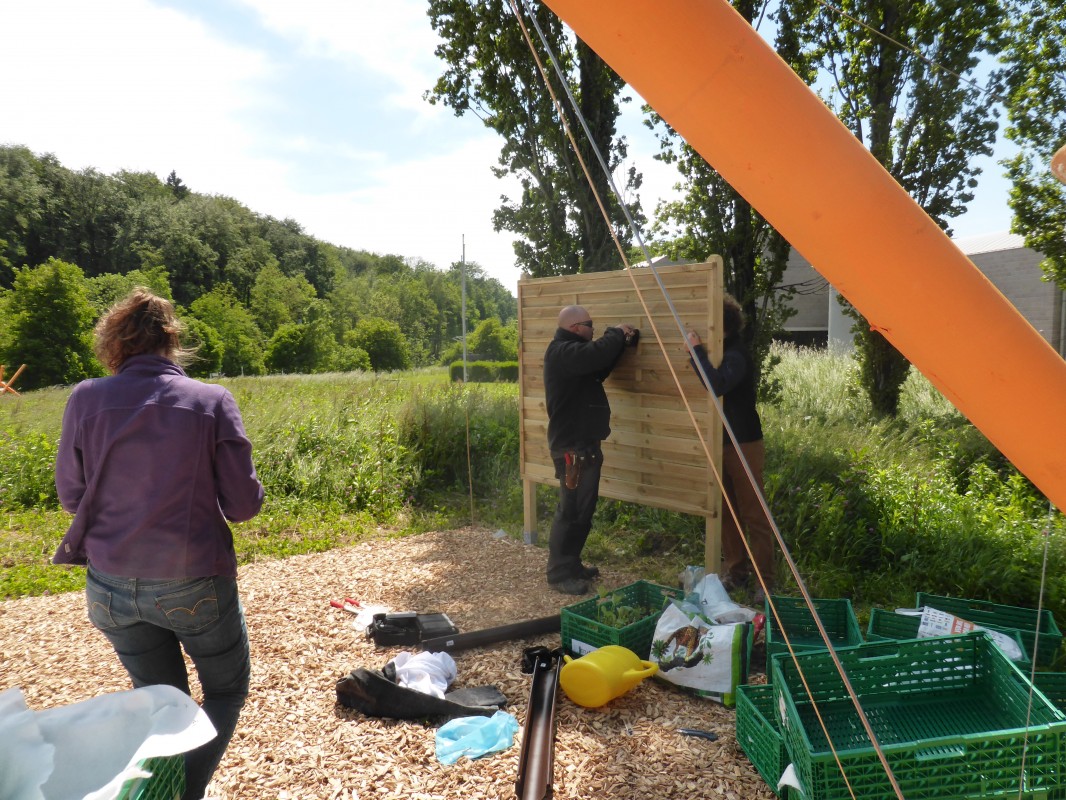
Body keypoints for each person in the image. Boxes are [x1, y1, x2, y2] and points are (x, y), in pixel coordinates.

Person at [53, 289, 265, 800]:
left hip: (108, 585)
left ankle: (157, 790)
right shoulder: (211, 401)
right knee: (225, 690)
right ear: (171, 340)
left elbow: (71, 497)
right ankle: (182, 794)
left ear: (114, 344)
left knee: (161, 705)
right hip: (192, 580)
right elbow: (243, 505)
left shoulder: (85, 397)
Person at [687, 294, 774, 604]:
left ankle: (765, 583)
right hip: (721, 442)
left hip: (744, 442)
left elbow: (718, 384)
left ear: (721, 325)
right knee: (727, 512)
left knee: (753, 513)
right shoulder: (721, 352)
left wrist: (696, 352)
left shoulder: (736, 354)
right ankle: (736, 572)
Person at [543, 304, 636, 595]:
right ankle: (558, 573)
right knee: (570, 511)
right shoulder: (562, 352)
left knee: (583, 511)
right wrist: (615, 333)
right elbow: (595, 354)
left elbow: (599, 364)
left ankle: (572, 564)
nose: (594, 330)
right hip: (572, 448)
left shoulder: (574, 356)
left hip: (584, 445)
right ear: (575, 328)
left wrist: (621, 344)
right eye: (590, 325)